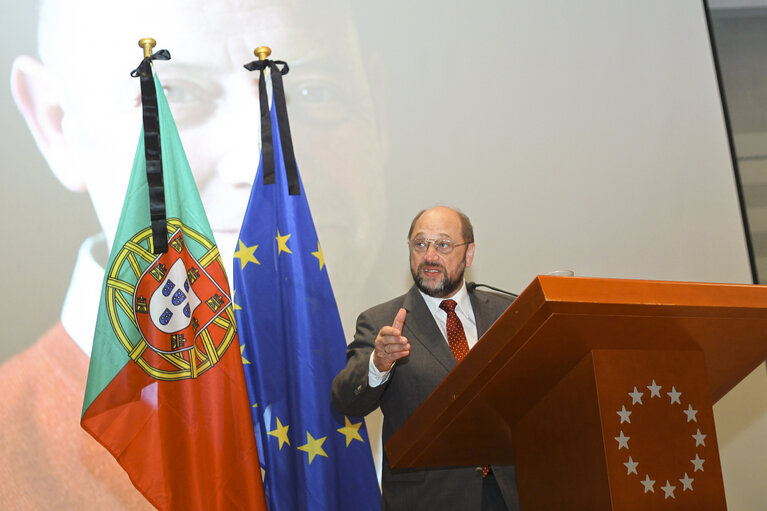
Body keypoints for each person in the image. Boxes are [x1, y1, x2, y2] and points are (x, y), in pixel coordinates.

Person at [1, 0, 386, 508]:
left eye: (314, 91)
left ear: (378, 106)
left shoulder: (496, 408)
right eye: (172, 94)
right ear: (56, 124)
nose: (256, 163)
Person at [332, 206, 520, 511]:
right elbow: (345, 400)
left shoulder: (507, 313)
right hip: (428, 501)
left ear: (468, 254)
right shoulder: (381, 320)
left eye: (443, 245)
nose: (430, 256)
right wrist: (378, 365)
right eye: (420, 244)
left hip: (508, 496)